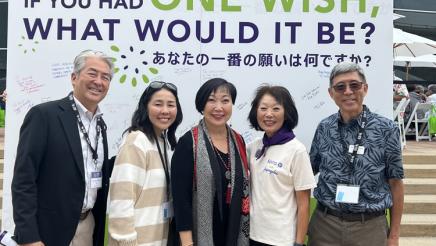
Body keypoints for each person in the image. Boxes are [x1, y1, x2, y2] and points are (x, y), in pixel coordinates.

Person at [12, 50, 114, 246]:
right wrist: (29, 237)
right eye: (92, 73)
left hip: (88, 226)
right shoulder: (44, 115)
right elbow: (24, 180)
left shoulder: (100, 124)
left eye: (106, 77)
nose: (99, 82)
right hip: (48, 229)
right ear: (74, 78)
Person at [308, 62, 404, 246]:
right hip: (325, 225)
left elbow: (396, 182)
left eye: (354, 85)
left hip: (369, 227)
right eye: (340, 87)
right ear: (331, 93)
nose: (348, 92)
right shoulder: (324, 127)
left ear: (365, 88)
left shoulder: (386, 129)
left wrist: (394, 235)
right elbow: (307, 172)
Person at [171, 78, 250, 246]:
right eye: (211, 100)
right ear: (201, 105)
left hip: (233, 233)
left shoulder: (238, 140)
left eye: (225, 100)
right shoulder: (188, 143)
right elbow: (180, 200)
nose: (219, 107)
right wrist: (187, 243)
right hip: (200, 237)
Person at [108, 81, 183, 245]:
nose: (165, 110)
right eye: (158, 104)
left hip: (157, 238)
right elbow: (122, 198)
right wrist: (126, 241)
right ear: (145, 107)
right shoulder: (136, 141)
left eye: (171, 105)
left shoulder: (162, 142)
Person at [247, 85, 316, 246]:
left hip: (282, 239)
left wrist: (299, 243)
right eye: (263, 108)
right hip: (252, 235)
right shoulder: (253, 147)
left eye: (276, 108)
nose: (269, 114)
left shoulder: (297, 151)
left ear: (286, 113)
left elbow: (303, 204)